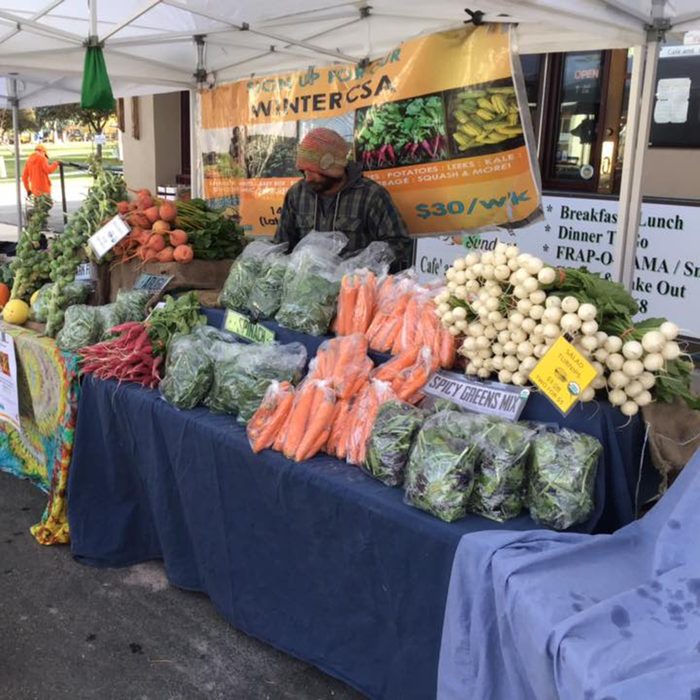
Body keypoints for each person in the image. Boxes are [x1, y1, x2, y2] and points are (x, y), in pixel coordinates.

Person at [274, 127, 412, 269]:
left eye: (313, 172)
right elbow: (281, 246)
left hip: (355, 288)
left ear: (333, 168)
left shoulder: (371, 195)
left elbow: (399, 243)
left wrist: (363, 264)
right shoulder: (296, 194)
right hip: (307, 288)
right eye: (303, 171)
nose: (307, 178)